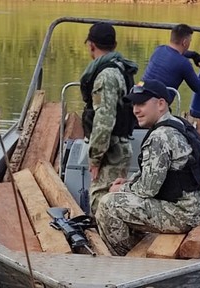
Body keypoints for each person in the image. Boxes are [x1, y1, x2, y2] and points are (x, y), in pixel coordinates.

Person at [95, 79, 200, 256]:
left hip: (182, 214)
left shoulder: (159, 137)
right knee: (122, 196)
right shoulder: (179, 124)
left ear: (161, 104)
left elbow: (147, 190)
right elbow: (160, 173)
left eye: (141, 104)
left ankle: (124, 259)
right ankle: (137, 243)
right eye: (134, 104)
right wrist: (130, 181)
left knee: (107, 205)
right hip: (197, 207)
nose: (135, 110)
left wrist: (121, 188)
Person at [80, 22, 138, 214]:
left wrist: (95, 158)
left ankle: (102, 242)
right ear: (114, 44)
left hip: (111, 151)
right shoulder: (122, 68)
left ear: (91, 45)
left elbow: (104, 121)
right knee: (113, 200)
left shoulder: (106, 76)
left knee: (101, 202)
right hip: (119, 148)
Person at [141, 23, 200, 103]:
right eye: (190, 41)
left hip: (138, 92)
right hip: (154, 105)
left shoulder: (159, 49)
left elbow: (174, 53)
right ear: (185, 42)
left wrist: (194, 55)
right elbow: (198, 87)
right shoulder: (183, 63)